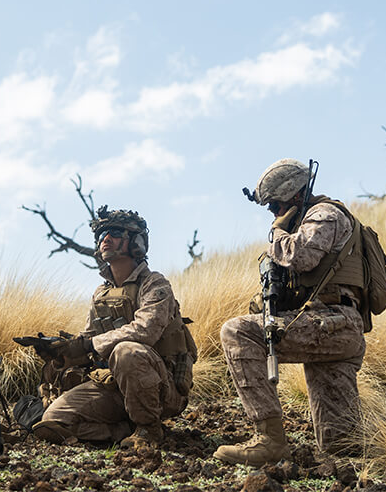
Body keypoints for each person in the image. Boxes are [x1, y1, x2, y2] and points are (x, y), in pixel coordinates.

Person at [215, 159, 367, 466]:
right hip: (330, 326)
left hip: (334, 323)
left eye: (275, 206)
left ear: (293, 196)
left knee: (237, 332)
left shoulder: (325, 214)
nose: (273, 213)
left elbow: (302, 256)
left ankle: (269, 441)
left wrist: (276, 232)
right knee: (342, 446)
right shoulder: (309, 219)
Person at [31, 207, 195, 448]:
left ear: (136, 242)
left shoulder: (155, 284)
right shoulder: (101, 293)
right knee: (54, 421)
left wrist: (91, 344)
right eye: (101, 235)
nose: (105, 239)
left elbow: (145, 331)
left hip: (163, 387)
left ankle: (149, 430)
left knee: (126, 351)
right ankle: (124, 429)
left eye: (115, 233)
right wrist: (62, 355)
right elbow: (89, 339)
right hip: (115, 385)